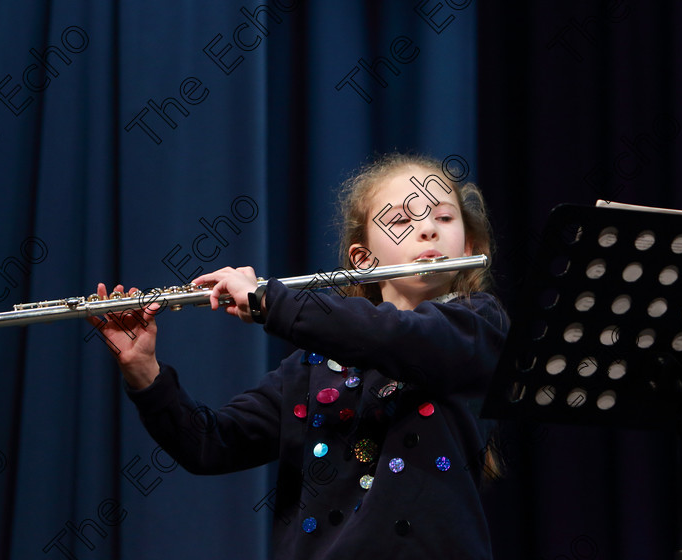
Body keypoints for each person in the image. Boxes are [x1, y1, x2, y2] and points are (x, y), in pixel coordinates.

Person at [90, 153, 509, 559]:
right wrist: (145, 371)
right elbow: (211, 445)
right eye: (401, 220)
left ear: (468, 243)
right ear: (362, 260)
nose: (428, 231)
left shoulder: (478, 326)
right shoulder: (313, 365)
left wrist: (271, 301)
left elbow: (396, 336)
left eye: (443, 217)